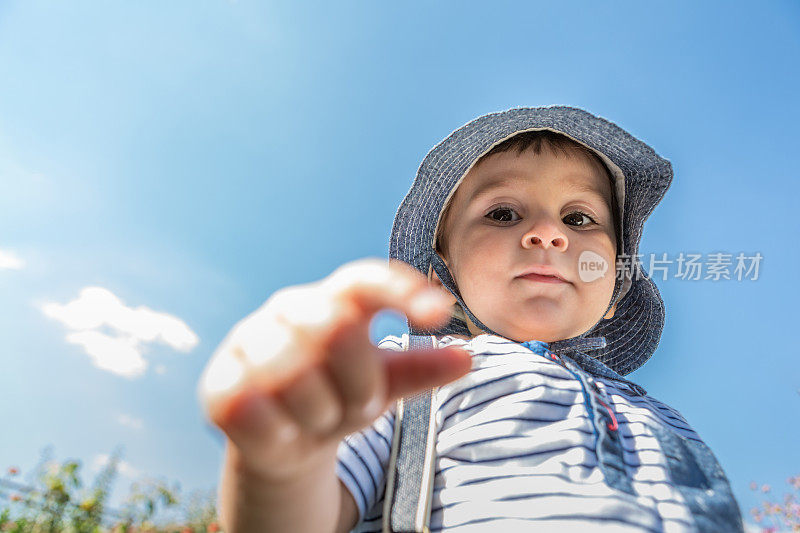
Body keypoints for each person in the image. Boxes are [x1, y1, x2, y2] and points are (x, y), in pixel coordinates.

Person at [197, 106, 745, 532]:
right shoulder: (402, 376)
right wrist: (281, 463)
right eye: (503, 213)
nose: (549, 235)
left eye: (579, 218)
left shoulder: (656, 413)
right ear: (441, 278)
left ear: (614, 292)